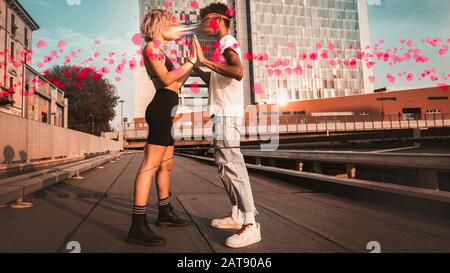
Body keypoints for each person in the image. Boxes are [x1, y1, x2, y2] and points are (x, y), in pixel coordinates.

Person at [191, 2, 261, 249]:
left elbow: (238, 71)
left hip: (228, 115)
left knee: (232, 165)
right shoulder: (221, 47)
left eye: (207, 20)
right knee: (223, 166)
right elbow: (215, 79)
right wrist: (196, 65)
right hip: (221, 114)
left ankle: (251, 224)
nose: (203, 25)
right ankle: (237, 214)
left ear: (220, 20)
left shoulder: (228, 42)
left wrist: (204, 61)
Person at [127, 9, 197, 247]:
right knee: (150, 165)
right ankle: (137, 225)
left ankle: (165, 212)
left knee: (166, 165)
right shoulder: (150, 49)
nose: (176, 27)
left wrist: (190, 65)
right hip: (160, 108)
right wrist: (189, 62)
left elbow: (176, 83)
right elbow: (167, 80)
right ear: (160, 25)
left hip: (168, 108)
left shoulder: (160, 51)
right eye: (172, 23)